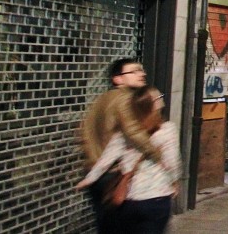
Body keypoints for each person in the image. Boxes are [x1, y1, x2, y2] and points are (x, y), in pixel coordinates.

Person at [77, 86, 180, 234]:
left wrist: (89, 179)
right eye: (159, 97)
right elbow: (172, 163)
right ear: (155, 105)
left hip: (130, 198)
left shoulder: (125, 134)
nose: (161, 99)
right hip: (157, 198)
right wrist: (174, 181)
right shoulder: (168, 130)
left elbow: (106, 159)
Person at [79, 58, 162, 232]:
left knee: (107, 226)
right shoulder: (125, 99)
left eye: (141, 70)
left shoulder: (102, 99)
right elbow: (133, 132)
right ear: (118, 79)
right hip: (114, 173)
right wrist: (157, 154)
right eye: (134, 71)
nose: (142, 74)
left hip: (95, 170)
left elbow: (84, 132)